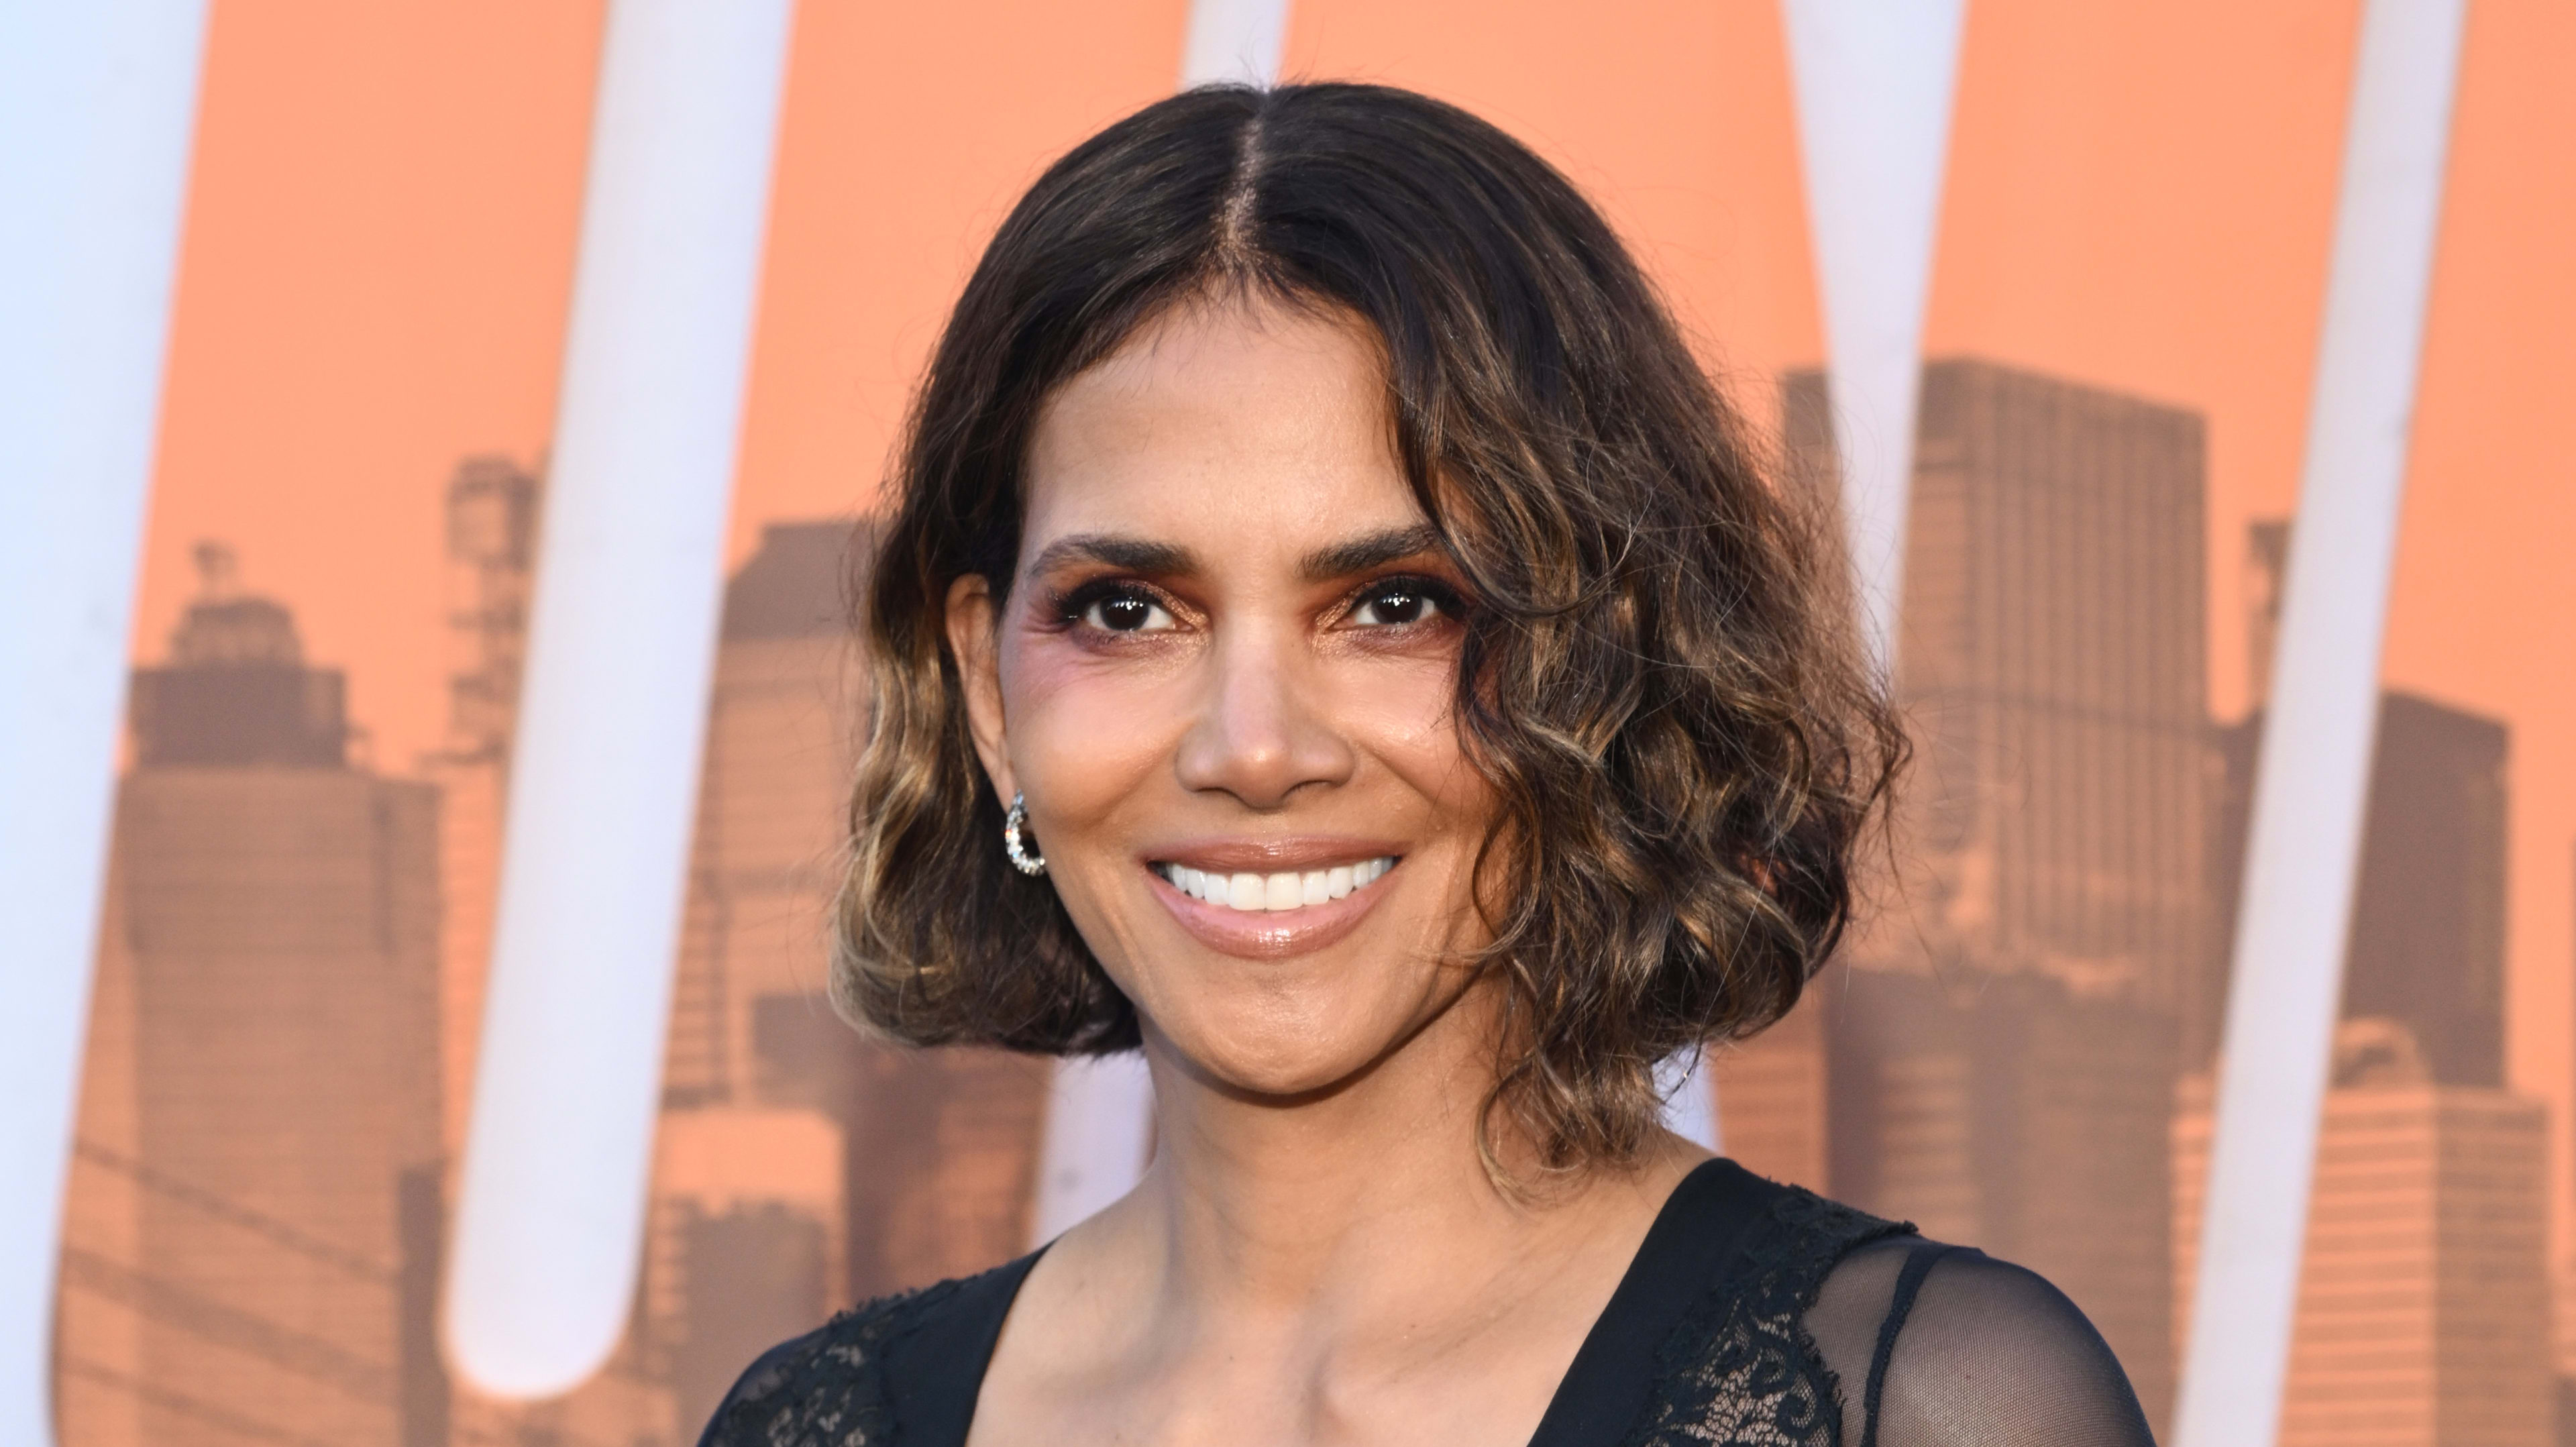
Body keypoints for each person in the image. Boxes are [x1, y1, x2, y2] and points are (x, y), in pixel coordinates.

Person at [698, 83, 2155, 1447]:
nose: (1252, 746)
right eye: (1127, 610)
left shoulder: (1917, 1400)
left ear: (1604, 651)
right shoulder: (818, 1422)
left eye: (1396, 602)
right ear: (988, 692)